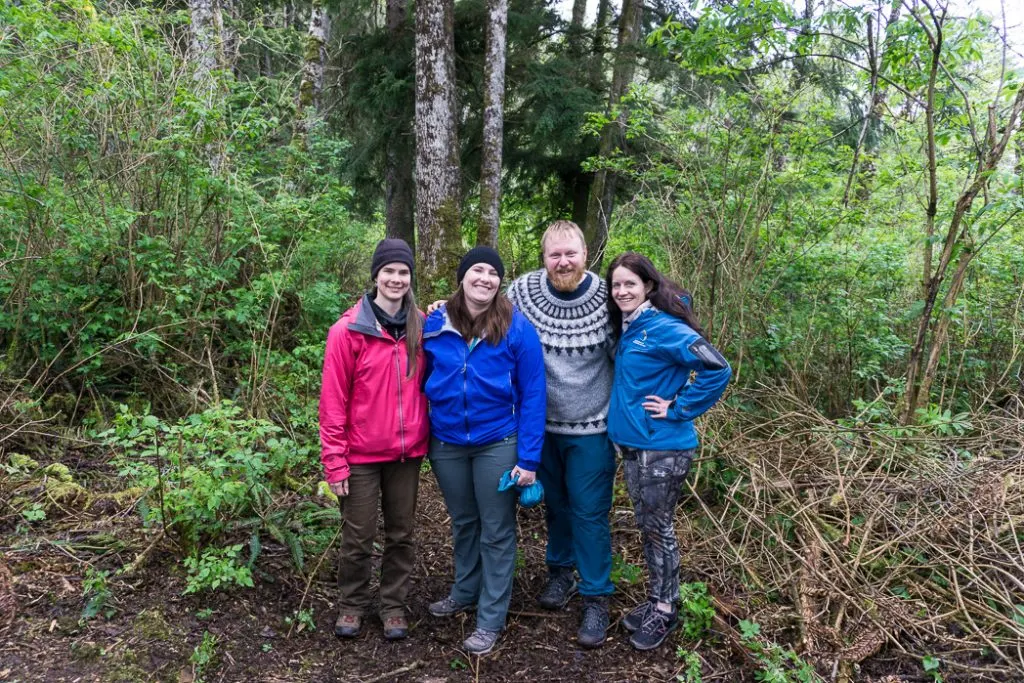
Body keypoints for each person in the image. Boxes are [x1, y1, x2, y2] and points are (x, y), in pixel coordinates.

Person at [423, 246, 546, 656]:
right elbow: (416, 375)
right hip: (447, 443)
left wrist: (528, 459)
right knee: (463, 521)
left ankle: (490, 618)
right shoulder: (434, 323)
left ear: (500, 282)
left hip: (499, 442)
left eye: (493, 273)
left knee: (496, 530)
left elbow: (533, 395)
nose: (485, 278)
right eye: (477, 270)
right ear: (462, 276)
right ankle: (464, 591)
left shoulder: (517, 328)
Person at [605, 252, 731, 651]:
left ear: (648, 287)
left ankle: (665, 609)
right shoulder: (633, 326)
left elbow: (718, 367)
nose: (622, 290)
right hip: (637, 447)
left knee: (659, 530)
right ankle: (658, 599)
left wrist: (679, 408)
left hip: (663, 448)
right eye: (616, 284)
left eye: (630, 284)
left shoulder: (662, 327)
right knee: (648, 528)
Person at [506, 220, 617, 648]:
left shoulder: (609, 297)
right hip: (539, 427)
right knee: (555, 506)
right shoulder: (521, 293)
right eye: (555, 254)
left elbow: (633, 350)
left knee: (589, 512)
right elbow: (483, 316)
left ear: (585, 254)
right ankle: (560, 573)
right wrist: (443, 308)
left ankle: (596, 597)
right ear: (544, 257)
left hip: (593, 427)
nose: (563, 262)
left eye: (570, 253)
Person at [319, 238, 429, 642]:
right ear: (376, 276)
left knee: (402, 533)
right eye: (389, 272)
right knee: (358, 535)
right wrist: (334, 461)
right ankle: (352, 604)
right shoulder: (347, 332)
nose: (396, 279)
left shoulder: (422, 326)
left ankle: (394, 606)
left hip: (407, 454)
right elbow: (333, 403)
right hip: (361, 455)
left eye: (403, 272)